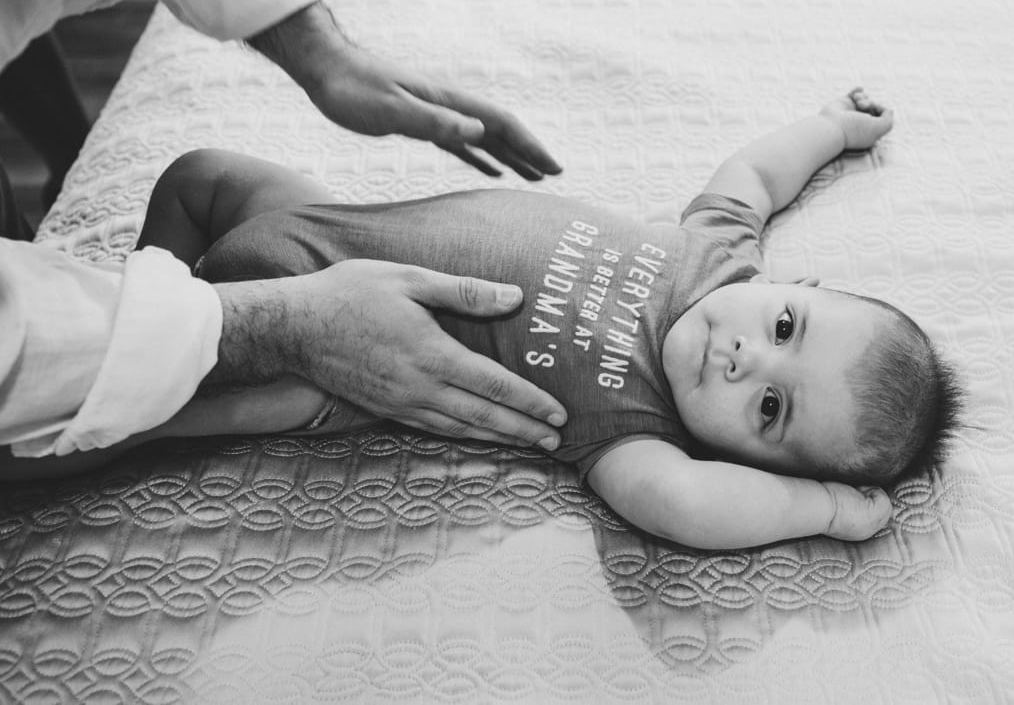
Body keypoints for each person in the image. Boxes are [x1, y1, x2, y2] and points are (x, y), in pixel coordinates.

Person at [18, 88, 962, 549]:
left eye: (768, 412)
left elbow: (685, 510)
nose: (743, 356)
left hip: (335, 367)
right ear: (796, 284)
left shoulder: (634, 431)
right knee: (198, 174)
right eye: (788, 326)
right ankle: (129, 302)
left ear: (746, 460)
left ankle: (69, 430)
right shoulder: (715, 253)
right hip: (333, 226)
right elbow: (756, 175)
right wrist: (834, 128)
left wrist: (825, 511)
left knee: (181, 404)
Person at [0, 0, 568, 462]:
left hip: (340, 288)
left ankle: (154, 348)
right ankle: (156, 356)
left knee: (204, 186)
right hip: (343, 276)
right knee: (62, 418)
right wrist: (269, 327)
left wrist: (323, 55)